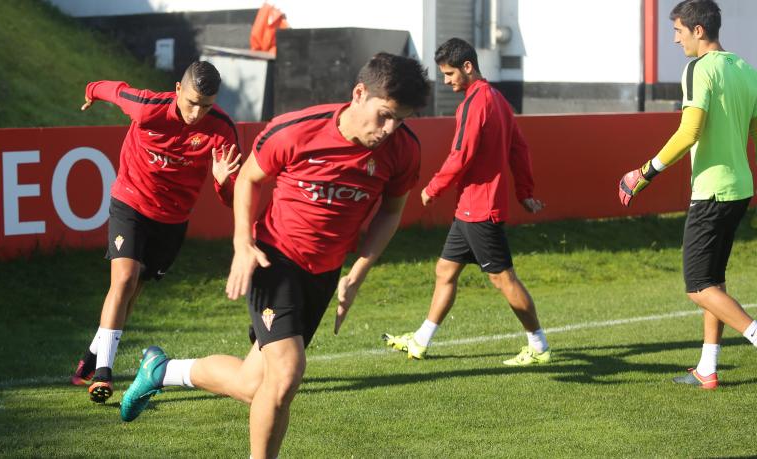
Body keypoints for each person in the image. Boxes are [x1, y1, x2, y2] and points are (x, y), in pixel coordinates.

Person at [119, 53, 430, 459]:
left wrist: (358, 272)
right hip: (274, 260)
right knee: (286, 375)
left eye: (401, 120)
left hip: (322, 273)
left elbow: (391, 211)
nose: (390, 129)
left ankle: (162, 371)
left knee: (254, 384)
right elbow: (249, 178)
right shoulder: (297, 130)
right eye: (385, 115)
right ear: (358, 94)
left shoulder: (403, 150)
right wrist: (243, 244)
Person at [69, 61, 242, 403]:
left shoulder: (222, 129)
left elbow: (232, 197)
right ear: (177, 89)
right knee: (123, 279)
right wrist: (91, 92)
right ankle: (103, 372)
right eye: (191, 102)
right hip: (130, 202)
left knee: (133, 291)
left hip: (172, 219)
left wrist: (224, 184)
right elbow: (114, 89)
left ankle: (89, 359)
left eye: (205, 106)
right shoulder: (148, 108)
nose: (196, 113)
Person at [383, 38, 550, 365]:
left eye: (449, 74)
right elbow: (519, 149)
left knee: (503, 279)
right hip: (471, 208)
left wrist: (433, 187)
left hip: (480, 208)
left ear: (468, 67)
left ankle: (539, 345)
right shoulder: (499, 100)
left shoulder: (475, 104)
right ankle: (420, 341)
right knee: (445, 270)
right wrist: (525, 193)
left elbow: (461, 154)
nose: (446, 81)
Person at [619, 0, 757, 390]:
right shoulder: (746, 68)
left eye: (678, 31)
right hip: (740, 189)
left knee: (698, 286)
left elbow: (688, 132)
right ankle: (707, 368)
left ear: (699, 30)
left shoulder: (698, 69)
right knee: (713, 280)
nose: (675, 39)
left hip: (711, 192)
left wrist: (643, 174)